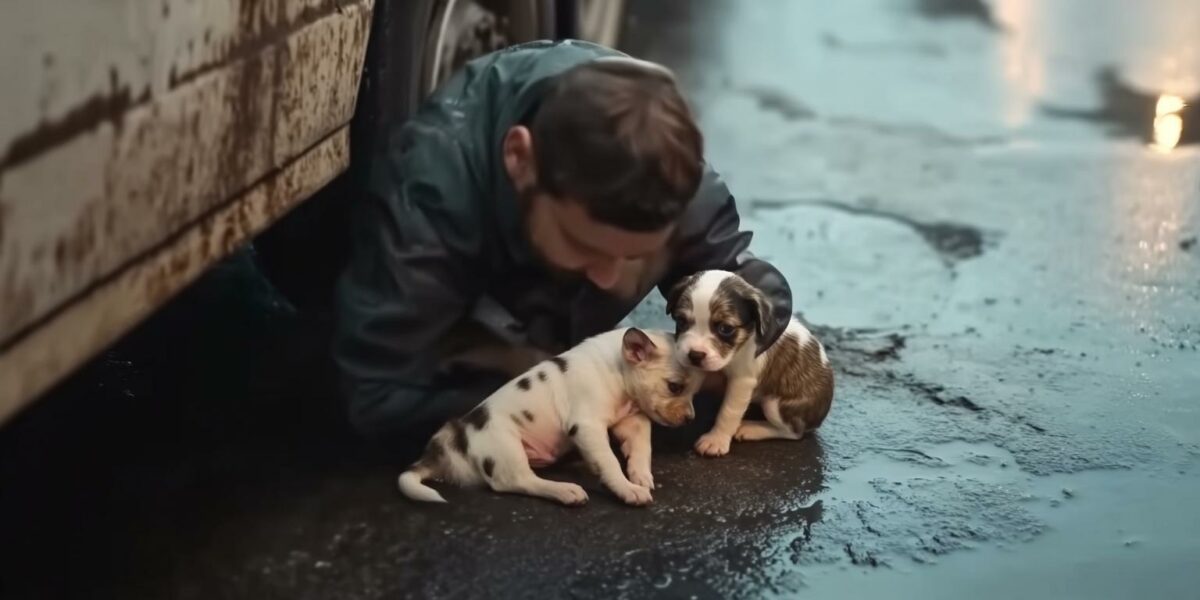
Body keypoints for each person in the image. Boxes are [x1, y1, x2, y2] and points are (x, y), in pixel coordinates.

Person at [334, 40, 793, 447]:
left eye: (636, 257)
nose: (611, 279)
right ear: (519, 159)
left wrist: (734, 360)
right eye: (583, 244)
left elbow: (750, 282)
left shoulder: (674, 180)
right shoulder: (431, 201)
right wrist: (557, 395)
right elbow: (380, 396)